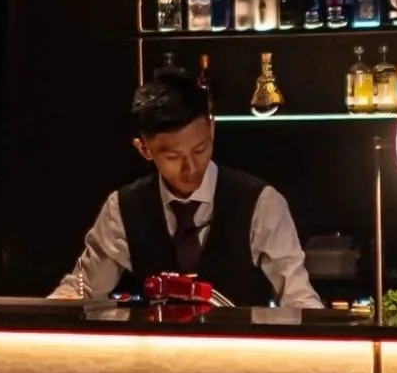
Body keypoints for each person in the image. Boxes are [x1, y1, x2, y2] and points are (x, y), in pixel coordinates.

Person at [52, 66, 320, 309]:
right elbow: (83, 290)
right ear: (144, 149)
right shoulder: (124, 208)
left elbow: (298, 297)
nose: (190, 167)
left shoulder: (261, 203)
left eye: (200, 149)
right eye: (173, 157)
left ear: (212, 129)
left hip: (239, 347)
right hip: (156, 348)